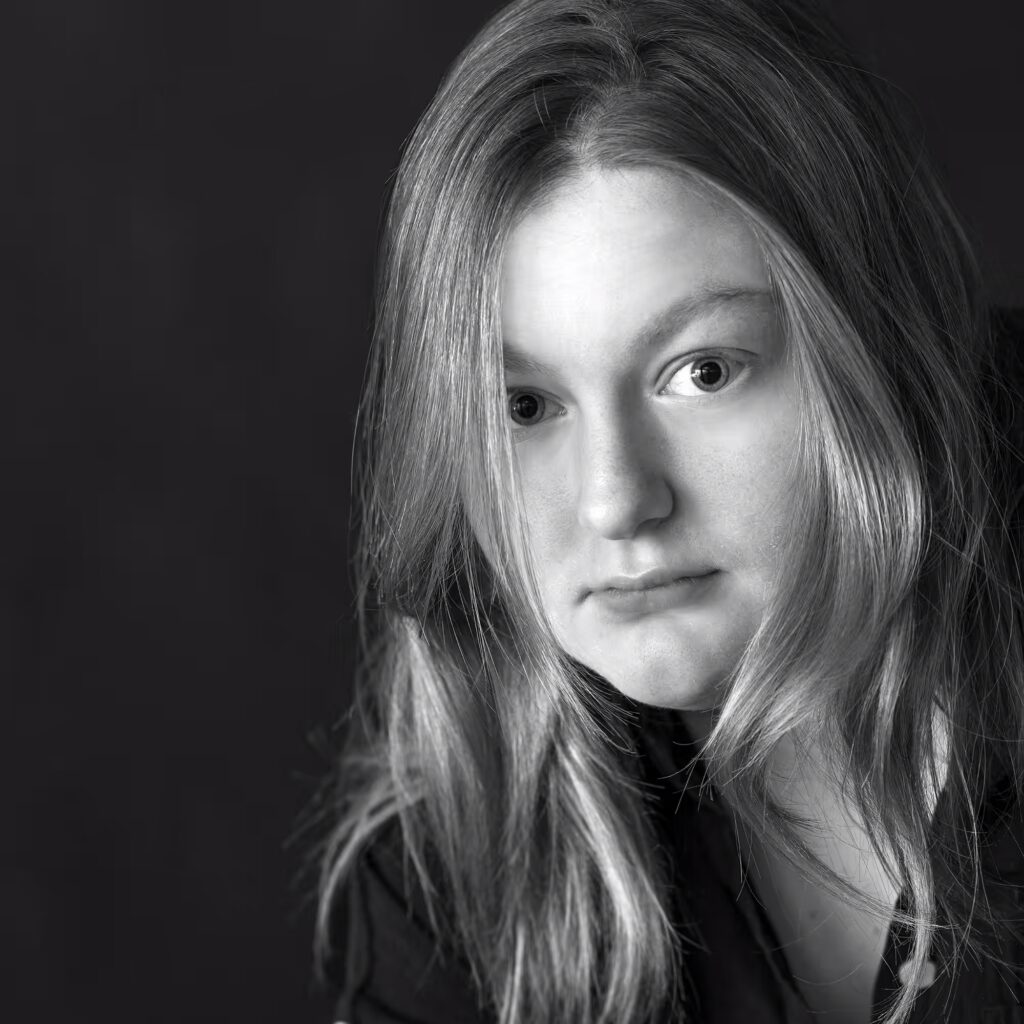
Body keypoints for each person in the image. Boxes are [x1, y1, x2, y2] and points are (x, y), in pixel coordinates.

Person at [311, 1, 1024, 1021]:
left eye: (702, 370)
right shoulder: (451, 869)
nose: (615, 500)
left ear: (877, 345)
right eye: (524, 406)